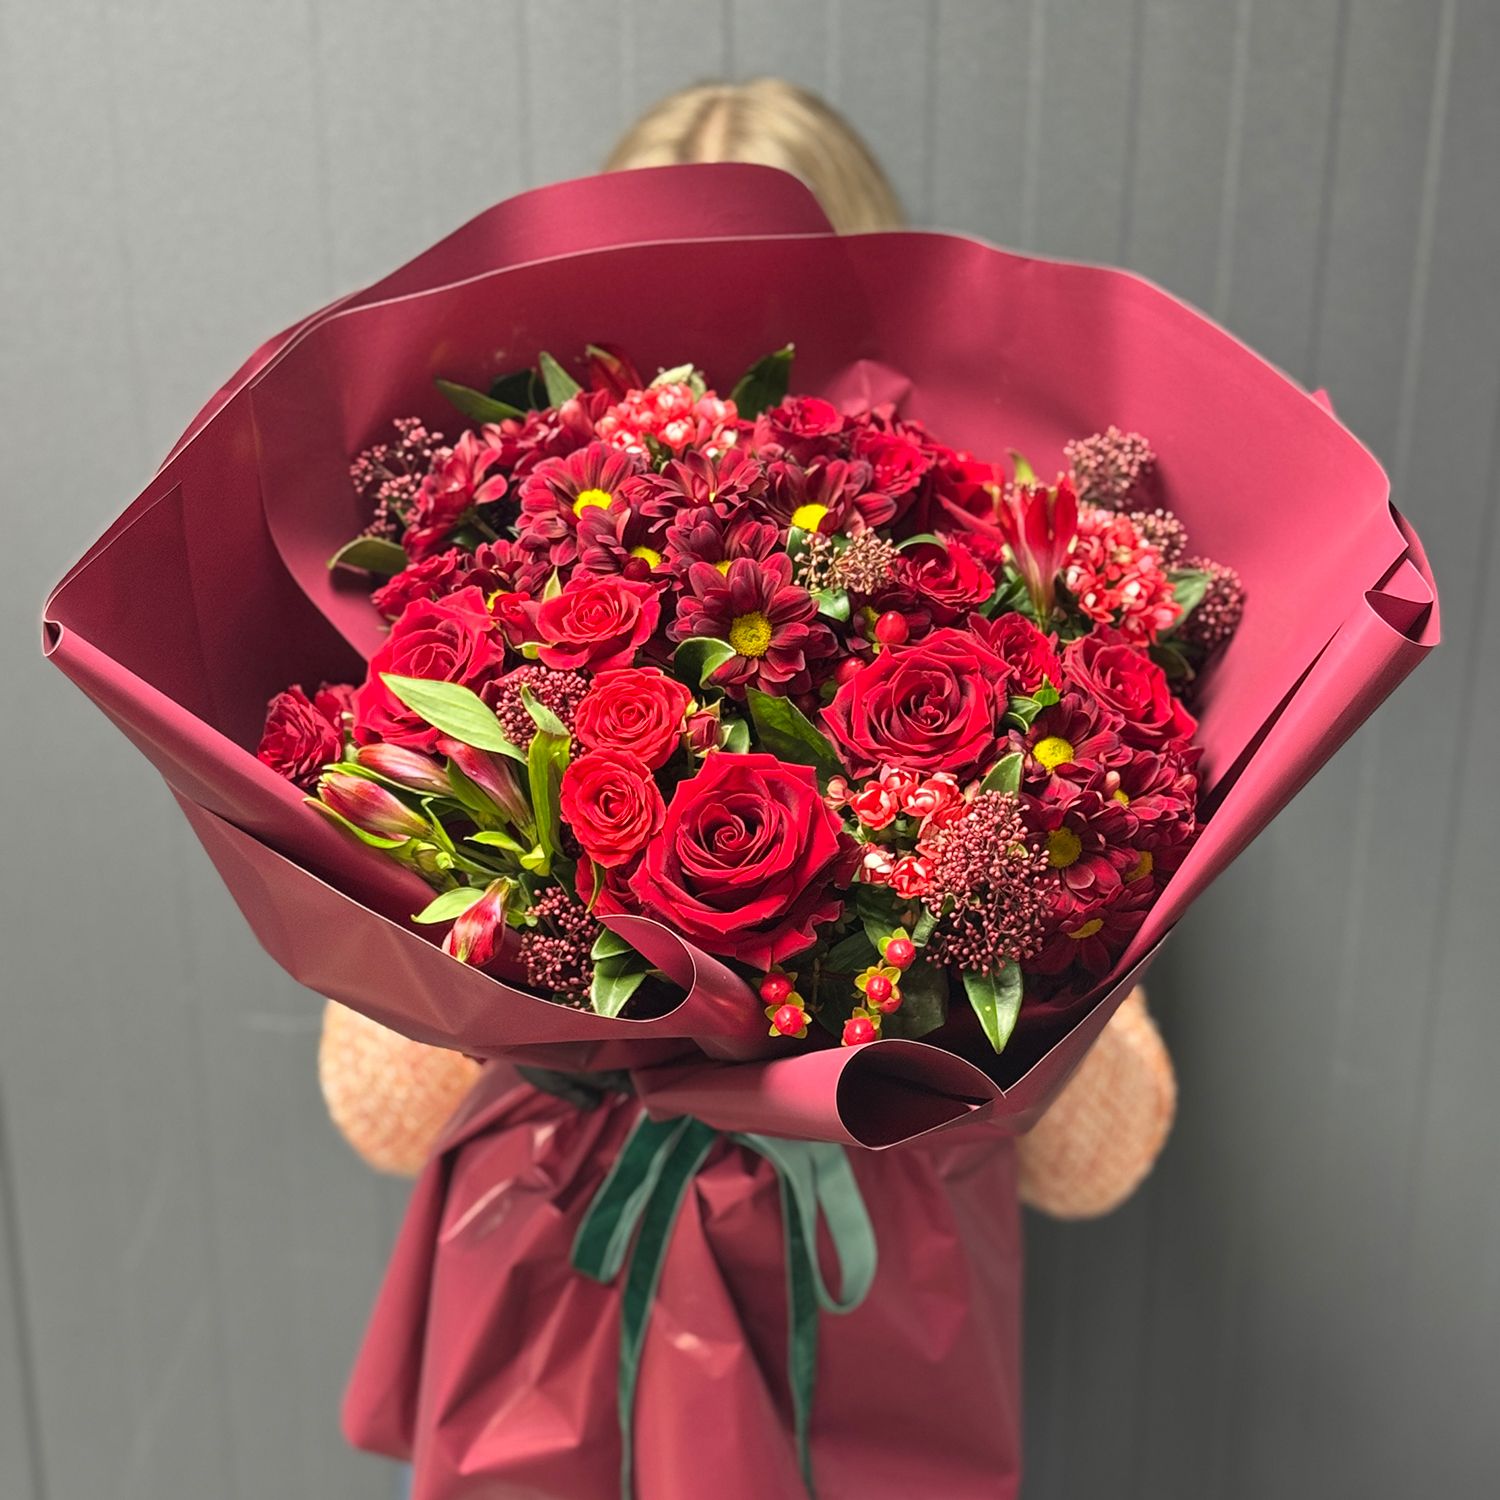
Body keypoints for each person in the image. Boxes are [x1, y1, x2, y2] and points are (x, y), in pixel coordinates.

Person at [317, 78, 1176, 1221]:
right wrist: (524, 965)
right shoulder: (510, 599)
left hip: (884, 1276)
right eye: (663, 328)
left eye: (771, 327)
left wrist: (988, 944)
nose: (705, 400)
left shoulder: (972, 611)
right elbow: (377, 1117)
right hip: (557, 1243)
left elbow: (1089, 1172)